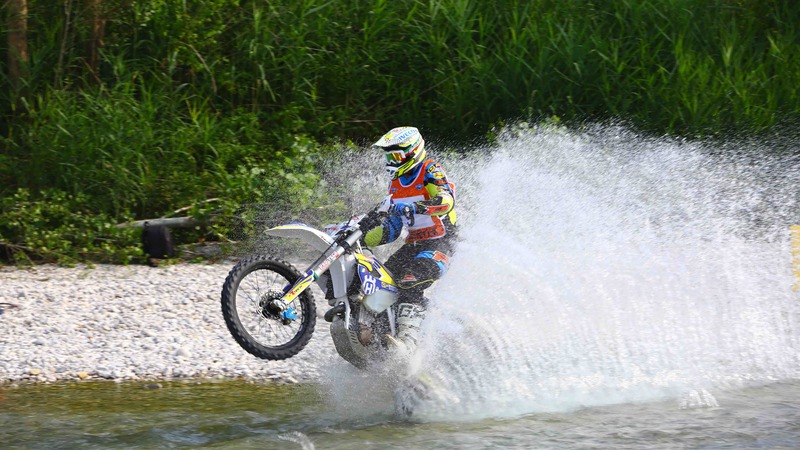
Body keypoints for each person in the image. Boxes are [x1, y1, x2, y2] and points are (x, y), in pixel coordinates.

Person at [362, 126, 458, 356]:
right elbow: (393, 229)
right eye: (389, 155)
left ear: (412, 151)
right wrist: (362, 236)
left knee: (410, 279)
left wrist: (415, 207)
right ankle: (378, 337)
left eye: (396, 155)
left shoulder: (429, 169)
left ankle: (408, 343)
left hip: (442, 242)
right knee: (381, 284)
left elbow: (446, 200)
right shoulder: (395, 185)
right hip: (413, 245)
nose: (391, 160)